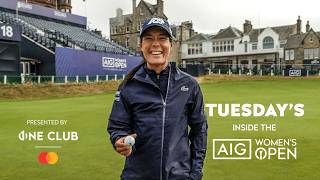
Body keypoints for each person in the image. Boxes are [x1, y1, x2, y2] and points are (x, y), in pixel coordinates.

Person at [107, 17, 207, 180]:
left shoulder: (189, 85)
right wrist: (119, 139)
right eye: (149, 38)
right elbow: (117, 126)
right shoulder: (128, 86)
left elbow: (199, 131)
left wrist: (195, 174)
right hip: (137, 175)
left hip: (178, 176)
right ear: (141, 45)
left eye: (162, 38)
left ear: (170, 44)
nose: (155, 44)